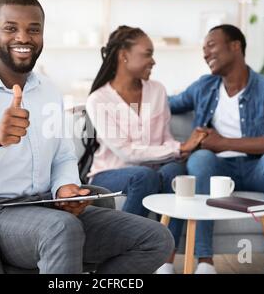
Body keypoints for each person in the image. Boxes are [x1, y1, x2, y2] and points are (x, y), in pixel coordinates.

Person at [0, 0, 174, 274]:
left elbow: (62, 156)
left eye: (33, 29)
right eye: (10, 28)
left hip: (48, 206)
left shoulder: (48, 90)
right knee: (61, 229)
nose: (23, 38)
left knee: (156, 239)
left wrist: (64, 188)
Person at [168, 24, 264, 274]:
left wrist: (225, 143)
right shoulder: (204, 86)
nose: (205, 53)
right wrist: (126, 92)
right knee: (199, 159)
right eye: (203, 49)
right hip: (218, 171)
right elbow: (166, 104)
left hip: (258, 168)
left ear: (235, 46)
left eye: (211, 45)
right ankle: (205, 261)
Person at [79, 25, 206, 274]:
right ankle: (117, 260)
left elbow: (164, 139)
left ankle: (165, 263)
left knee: (176, 174)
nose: (153, 60)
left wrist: (182, 150)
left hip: (154, 170)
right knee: (144, 175)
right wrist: (179, 147)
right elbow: (126, 153)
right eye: (147, 54)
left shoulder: (157, 91)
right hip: (111, 172)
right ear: (123, 56)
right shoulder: (99, 100)